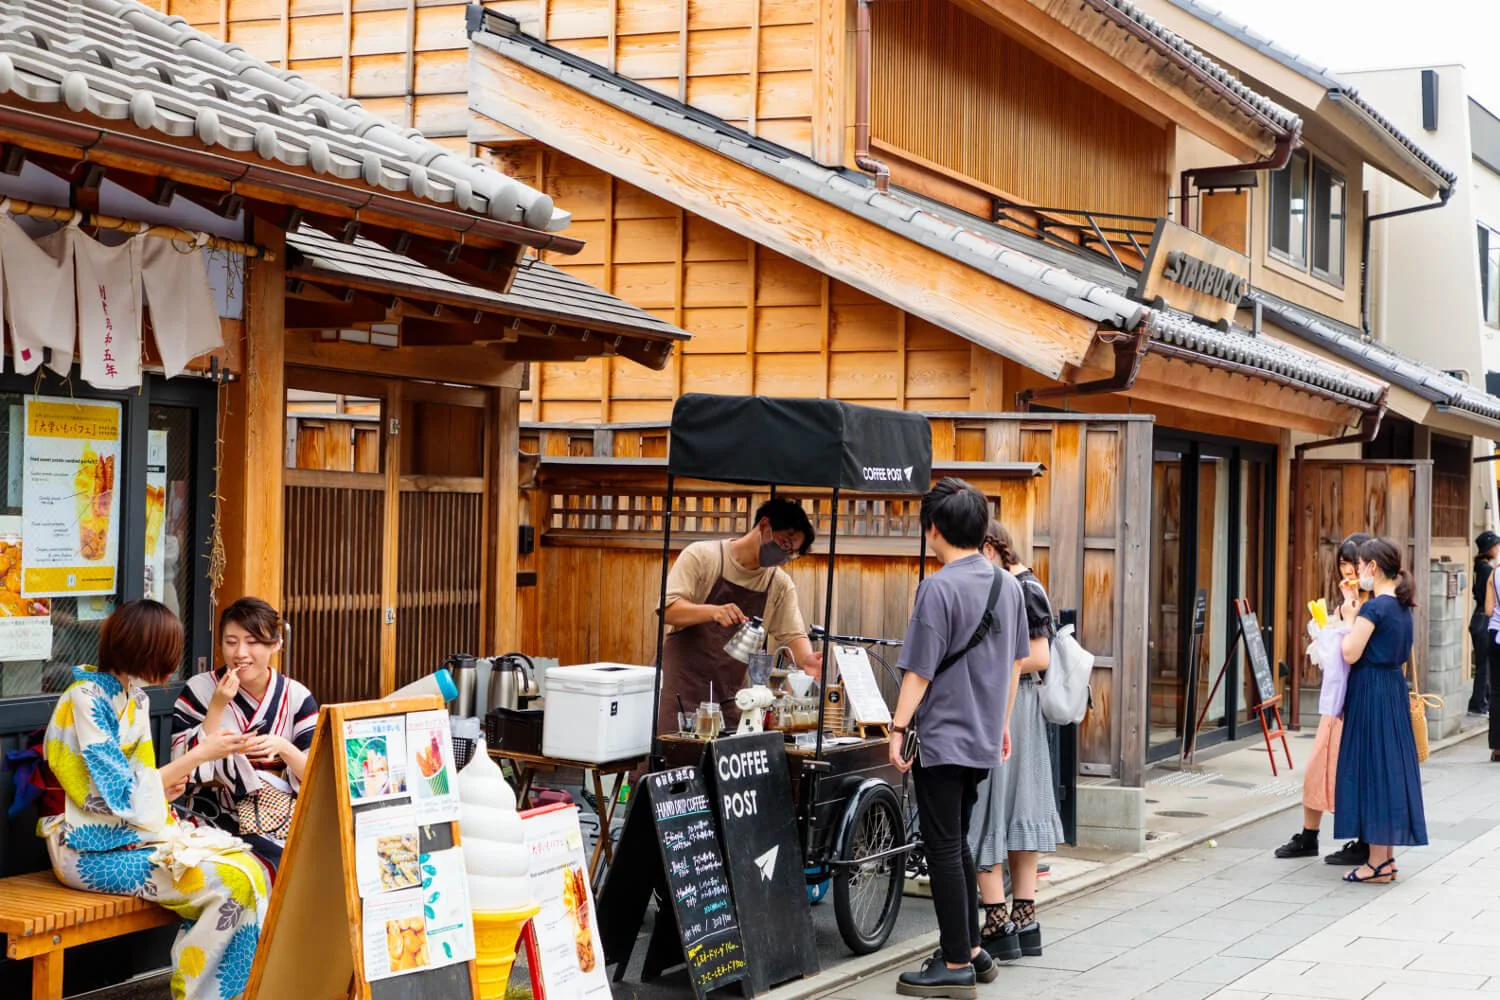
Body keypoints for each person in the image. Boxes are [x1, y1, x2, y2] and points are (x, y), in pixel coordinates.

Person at [39, 600, 268, 1000]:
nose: (172, 660)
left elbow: (142, 788)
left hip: (129, 839)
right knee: (232, 882)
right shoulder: (85, 698)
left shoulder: (136, 699)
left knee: (251, 869)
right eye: (167, 650)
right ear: (144, 649)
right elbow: (124, 793)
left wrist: (167, 787)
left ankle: (230, 992)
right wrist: (198, 755)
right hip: (86, 849)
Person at [889, 479, 1029, 999]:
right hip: (984, 736)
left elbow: (919, 670)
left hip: (944, 735)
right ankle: (970, 948)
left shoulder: (939, 586)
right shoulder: (1006, 585)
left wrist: (899, 729)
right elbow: (1015, 664)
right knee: (959, 839)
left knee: (943, 843)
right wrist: (1003, 723)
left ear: (934, 529)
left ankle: (953, 965)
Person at [969, 521, 1063, 962]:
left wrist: (991, 661)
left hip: (1009, 705)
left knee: (988, 808)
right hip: (1020, 707)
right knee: (1019, 811)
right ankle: (1024, 923)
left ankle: (997, 921)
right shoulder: (1027, 584)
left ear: (991, 548)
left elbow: (1040, 656)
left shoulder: (1017, 586)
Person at [172, 598, 316, 873]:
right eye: (231, 642)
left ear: (276, 644)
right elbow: (181, 765)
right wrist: (217, 705)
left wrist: (284, 747)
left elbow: (317, 773)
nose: (241, 653)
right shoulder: (200, 689)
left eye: (252, 642)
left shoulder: (296, 696)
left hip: (280, 816)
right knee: (261, 869)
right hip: (210, 816)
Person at [658, 498, 822, 731]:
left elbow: (792, 633)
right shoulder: (703, 556)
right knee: (670, 759)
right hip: (679, 690)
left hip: (730, 696)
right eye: (784, 543)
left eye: (792, 552)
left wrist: (807, 659)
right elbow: (668, 609)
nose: (784, 555)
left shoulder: (778, 584)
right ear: (764, 525)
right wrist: (713, 612)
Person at [1333, 538, 1427, 884]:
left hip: (1371, 691)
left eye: (1359, 566)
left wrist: (1347, 617)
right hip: (1393, 690)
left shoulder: (1375, 609)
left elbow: (1350, 652)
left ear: (1372, 567)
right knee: (1389, 769)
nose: (1357, 572)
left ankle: (1374, 863)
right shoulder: (1402, 607)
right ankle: (1385, 860)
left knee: (1372, 769)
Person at [1274, 533, 1370, 868]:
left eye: (1353, 563)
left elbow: (1352, 653)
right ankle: (1309, 835)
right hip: (1335, 703)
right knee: (1318, 767)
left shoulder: (1371, 604)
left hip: (1357, 702)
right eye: (1343, 563)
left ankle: (1363, 841)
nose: (1347, 571)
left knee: (1352, 773)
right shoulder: (1348, 601)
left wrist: (1341, 626)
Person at [1469, 531, 1500, 717]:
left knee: (1483, 664)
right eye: (1496, 545)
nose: (1498, 548)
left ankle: (1480, 701)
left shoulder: (1479, 566)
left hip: (1478, 617)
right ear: (1489, 548)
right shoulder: (1489, 570)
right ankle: (1479, 704)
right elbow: (1490, 606)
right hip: (1484, 619)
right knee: (1484, 665)